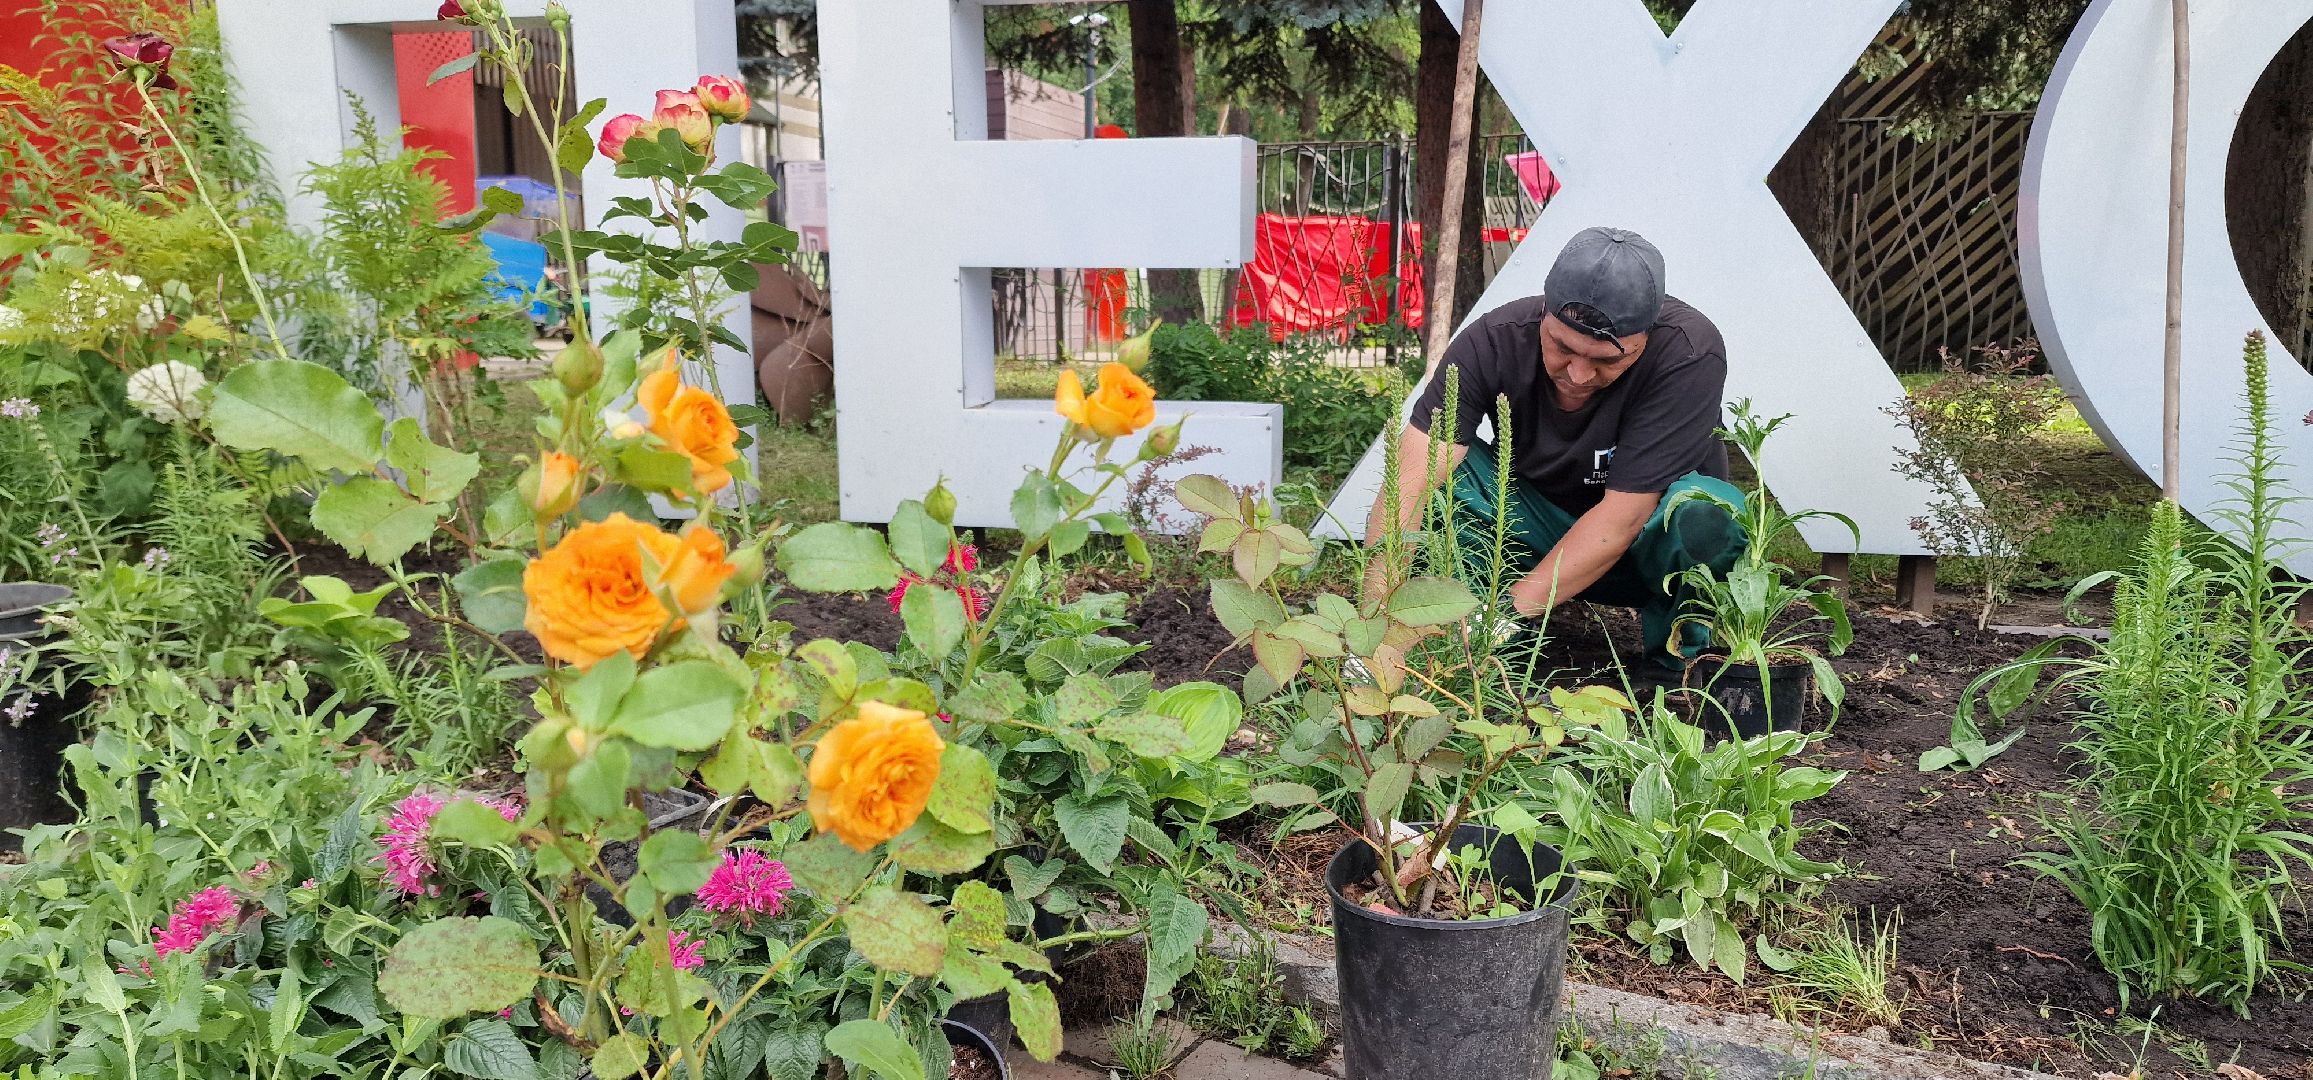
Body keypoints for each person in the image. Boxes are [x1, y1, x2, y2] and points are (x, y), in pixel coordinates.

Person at [1363, 226, 1745, 669]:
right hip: (1536, 534)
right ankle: (1460, 642)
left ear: (1647, 336)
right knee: (1439, 477)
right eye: (1562, 347)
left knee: (1709, 515)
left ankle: (1679, 670)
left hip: (1647, 550)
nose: (1579, 375)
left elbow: (1622, 521)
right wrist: (1376, 625)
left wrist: (1504, 614)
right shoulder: (1495, 338)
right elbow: (1405, 491)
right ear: (1543, 312)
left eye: (1607, 360)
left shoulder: (1689, 352)